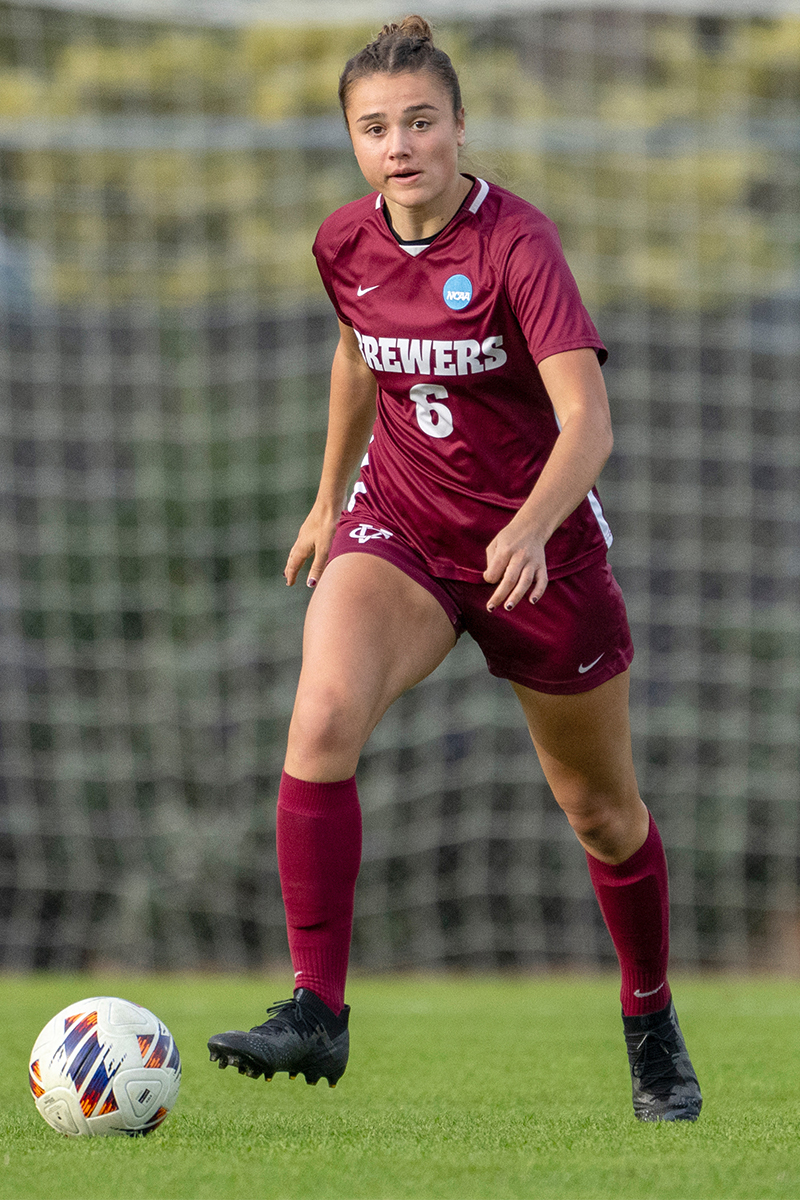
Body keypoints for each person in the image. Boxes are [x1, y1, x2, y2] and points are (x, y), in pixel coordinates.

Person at [208, 15, 701, 1122]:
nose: (400, 145)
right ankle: (316, 1009)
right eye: (375, 128)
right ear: (352, 141)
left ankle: (649, 1016)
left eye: (420, 121)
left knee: (602, 813)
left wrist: (528, 527)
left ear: (460, 127)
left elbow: (588, 423)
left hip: (538, 558)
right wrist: (328, 499)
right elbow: (356, 354)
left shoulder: (517, 243)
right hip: (402, 527)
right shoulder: (342, 242)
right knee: (320, 717)